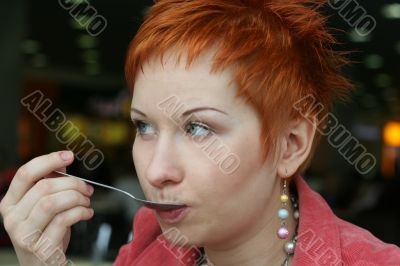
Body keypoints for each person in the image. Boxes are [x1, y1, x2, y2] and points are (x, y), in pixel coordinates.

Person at [1, 0, 399, 265]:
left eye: (198, 127)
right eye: (144, 126)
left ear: (290, 145)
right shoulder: (148, 247)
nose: (156, 172)